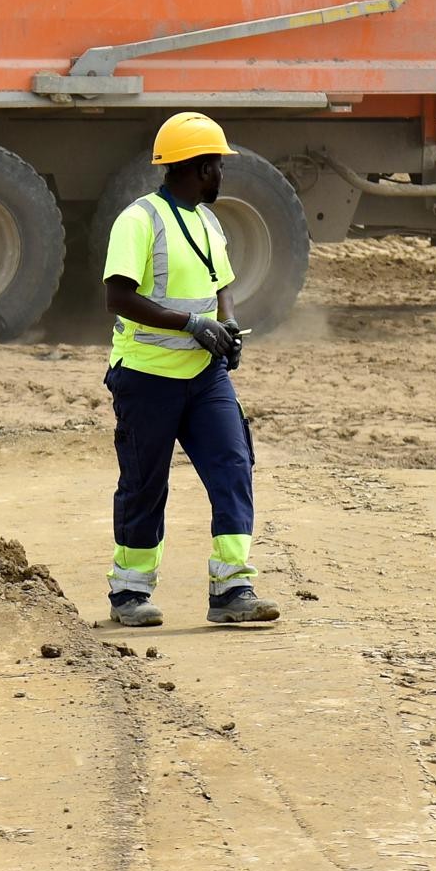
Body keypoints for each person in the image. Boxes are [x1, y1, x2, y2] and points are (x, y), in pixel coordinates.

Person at [101, 112, 279, 629]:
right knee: (145, 483)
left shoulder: (208, 221)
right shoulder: (138, 220)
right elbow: (117, 297)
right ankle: (130, 592)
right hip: (147, 375)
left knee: (233, 466)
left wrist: (227, 329)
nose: (223, 173)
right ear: (200, 168)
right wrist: (192, 324)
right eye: (218, 164)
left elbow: (220, 285)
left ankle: (232, 589)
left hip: (205, 377)